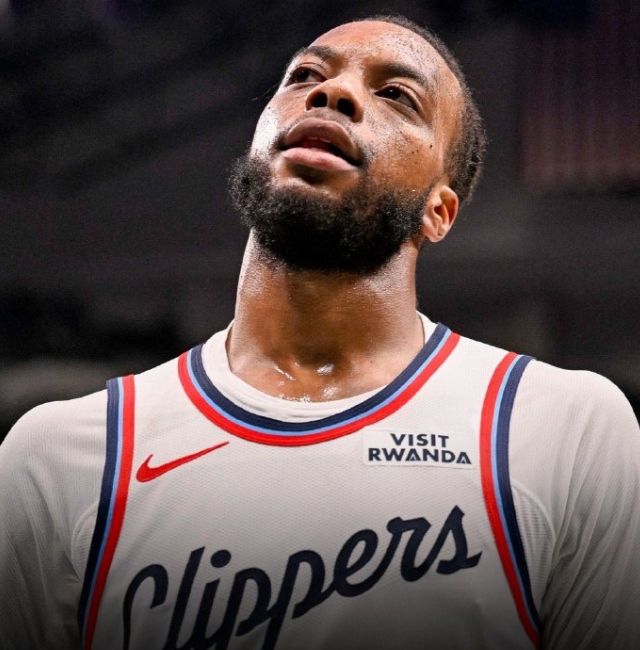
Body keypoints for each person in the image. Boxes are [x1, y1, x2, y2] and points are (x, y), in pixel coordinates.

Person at [1, 14, 639, 650]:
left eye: (397, 96)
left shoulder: (564, 430)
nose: (333, 92)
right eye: (305, 75)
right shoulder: (58, 458)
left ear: (439, 210)